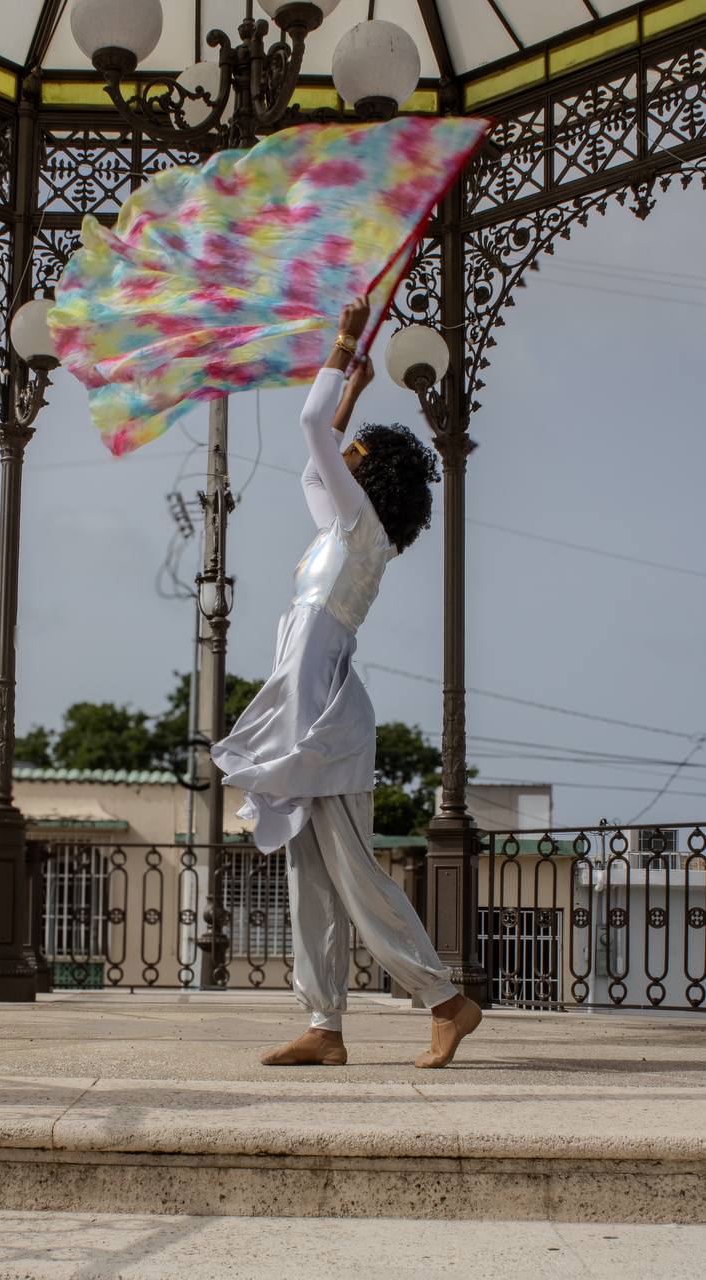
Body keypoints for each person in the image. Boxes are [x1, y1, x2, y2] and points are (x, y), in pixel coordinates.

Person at [212, 295, 482, 1069]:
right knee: (310, 882)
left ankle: (444, 1000)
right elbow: (313, 457)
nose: (346, 452)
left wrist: (340, 347)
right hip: (306, 707)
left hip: (324, 715)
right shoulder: (342, 528)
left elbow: (308, 430)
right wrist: (356, 389)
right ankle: (324, 1025)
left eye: (357, 448)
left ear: (372, 478)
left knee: (355, 878)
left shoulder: (359, 529)